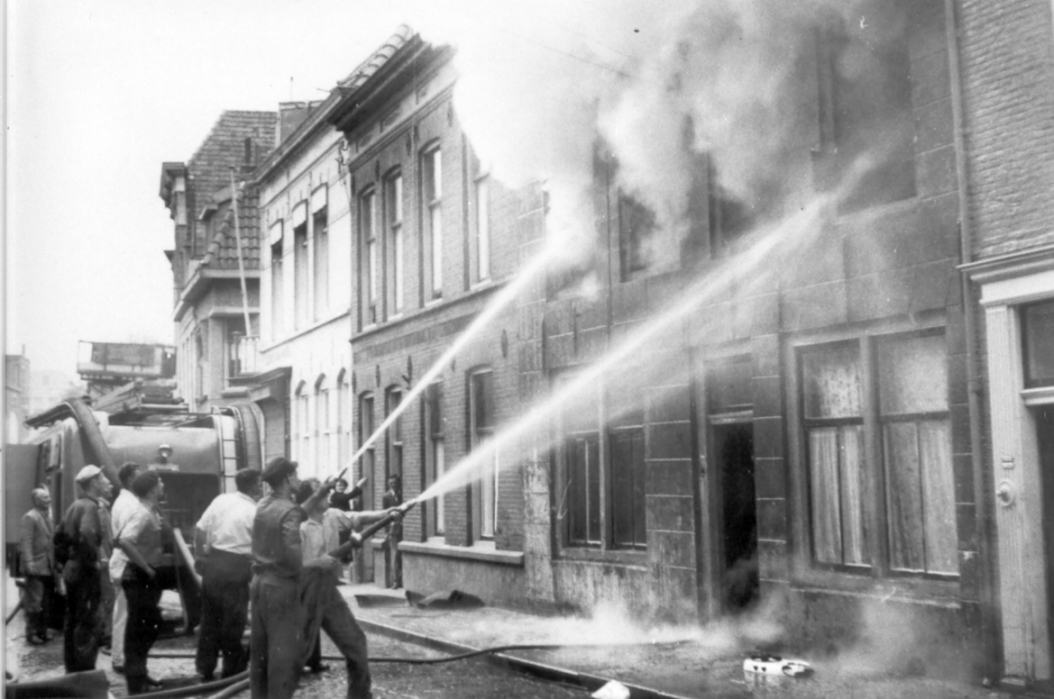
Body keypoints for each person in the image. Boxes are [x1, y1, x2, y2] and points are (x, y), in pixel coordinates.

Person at [297, 478, 399, 696]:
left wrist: (387, 513)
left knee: (355, 642)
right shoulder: (298, 526)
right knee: (294, 655)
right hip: (302, 592)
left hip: (327, 590)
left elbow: (358, 517)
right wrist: (317, 562)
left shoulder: (332, 515)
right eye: (321, 492)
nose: (327, 494)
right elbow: (290, 565)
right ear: (310, 498)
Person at [249, 458, 334, 699]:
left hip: (259, 584)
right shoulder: (289, 512)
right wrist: (319, 562)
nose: (298, 479)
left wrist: (320, 493)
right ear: (287, 478)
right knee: (283, 657)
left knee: (260, 655)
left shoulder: (264, 503)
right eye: (295, 475)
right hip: (281, 589)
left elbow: (297, 512)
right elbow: (296, 563)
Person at [193, 468, 262, 682]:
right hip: (237, 565)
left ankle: (205, 667)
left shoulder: (221, 500)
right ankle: (232, 669)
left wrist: (199, 556)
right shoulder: (254, 511)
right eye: (259, 483)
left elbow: (200, 529)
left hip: (214, 562)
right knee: (233, 620)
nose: (261, 487)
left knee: (210, 618)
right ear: (253, 485)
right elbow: (259, 546)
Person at [58, 464, 113, 672]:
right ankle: (84, 672)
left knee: (73, 620)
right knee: (89, 621)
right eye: (102, 478)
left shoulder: (75, 506)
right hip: (85, 570)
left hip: (73, 568)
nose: (106, 482)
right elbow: (88, 533)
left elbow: (58, 537)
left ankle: (72, 669)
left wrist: (66, 561)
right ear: (94, 482)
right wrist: (93, 560)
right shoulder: (90, 507)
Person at [117, 470, 167, 695]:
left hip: (146, 577)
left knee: (148, 626)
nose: (163, 485)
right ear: (152, 489)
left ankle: (140, 672)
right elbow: (125, 541)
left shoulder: (152, 510)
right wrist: (145, 567)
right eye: (160, 483)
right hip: (138, 577)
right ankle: (135, 682)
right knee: (139, 630)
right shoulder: (142, 513)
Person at [107, 462, 142, 674]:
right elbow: (128, 538)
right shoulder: (128, 504)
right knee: (124, 613)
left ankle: (121, 656)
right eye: (138, 475)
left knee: (123, 611)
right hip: (125, 561)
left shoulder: (127, 501)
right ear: (129, 479)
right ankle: (119, 658)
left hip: (123, 560)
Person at [20, 487, 56, 645]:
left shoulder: (47, 517)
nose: (49, 500)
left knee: (45, 602)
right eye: (45, 497)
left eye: (49, 497)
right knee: (34, 602)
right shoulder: (30, 517)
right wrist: (29, 562)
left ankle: (42, 631)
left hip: (47, 566)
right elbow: (26, 542)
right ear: (36, 500)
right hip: (36, 567)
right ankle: (31, 633)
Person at [381, 474, 403, 589]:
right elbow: (385, 515)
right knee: (394, 554)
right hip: (392, 530)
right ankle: (395, 581)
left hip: (402, 529)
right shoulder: (386, 496)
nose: (393, 485)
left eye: (395, 483)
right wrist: (386, 531)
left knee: (399, 554)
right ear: (388, 484)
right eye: (391, 483)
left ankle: (400, 578)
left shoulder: (401, 494)